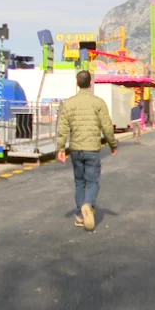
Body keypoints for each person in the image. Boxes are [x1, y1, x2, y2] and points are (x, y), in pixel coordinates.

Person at [56, 70, 118, 232]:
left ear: (77, 83)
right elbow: (107, 126)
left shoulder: (69, 103)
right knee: (92, 181)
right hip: (92, 149)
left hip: (76, 149)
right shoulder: (98, 103)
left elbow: (63, 127)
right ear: (91, 83)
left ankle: (79, 215)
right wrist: (113, 145)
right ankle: (88, 204)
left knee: (79, 182)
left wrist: (60, 148)